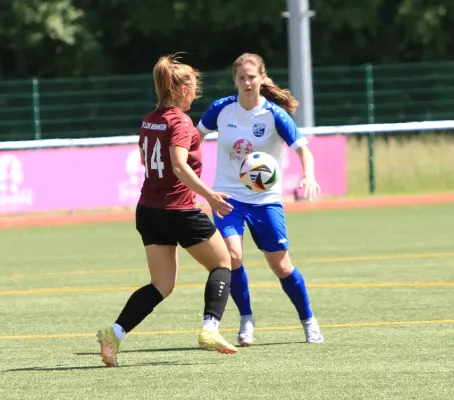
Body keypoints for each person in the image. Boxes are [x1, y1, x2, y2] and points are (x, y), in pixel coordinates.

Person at [96, 54, 238, 367]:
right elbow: (177, 164)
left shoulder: (149, 119)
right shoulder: (180, 121)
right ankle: (210, 328)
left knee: (161, 285)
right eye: (193, 86)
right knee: (224, 261)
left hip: (148, 209)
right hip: (178, 210)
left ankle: (114, 334)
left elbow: (150, 159)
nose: (196, 91)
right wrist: (210, 196)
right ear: (181, 89)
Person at [196, 53, 324, 346]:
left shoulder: (274, 114)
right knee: (232, 256)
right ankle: (246, 320)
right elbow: (195, 137)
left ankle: (308, 319)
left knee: (281, 267)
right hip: (228, 197)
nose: (247, 82)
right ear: (235, 80)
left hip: (265, 200)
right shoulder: (221, 109)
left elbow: (303, 149)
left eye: (252, 77)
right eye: (241, 77)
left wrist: (309, 175)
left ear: (262, 78)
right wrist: (188, 164)